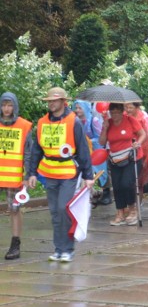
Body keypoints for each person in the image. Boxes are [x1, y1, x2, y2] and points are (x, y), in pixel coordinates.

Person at [26, 87, 94, 262]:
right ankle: (58, 249)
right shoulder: (42, 123)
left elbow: (83, 150)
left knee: (64, 209)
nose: (51, 103)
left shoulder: (73, 122)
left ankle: (68, 249)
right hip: (49, 172)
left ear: (64, 102)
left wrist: (88, 176)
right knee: (55, 212)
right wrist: (31, 173)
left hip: (68, 172)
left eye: (54, 101)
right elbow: (37, 150)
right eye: (49, 101)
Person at [99, 102, 146, 226]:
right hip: (115, 158)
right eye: (112, 113)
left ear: (122, 112)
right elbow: (102, 141)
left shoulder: (130, 120)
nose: (115, 115)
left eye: (117, 113)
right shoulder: (109, 123)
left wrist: (138, 143)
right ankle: (120, 212)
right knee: (117, 186)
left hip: (132, 157)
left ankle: (132, 209)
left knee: (126, 183)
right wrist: (105, 127)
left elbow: (143, 134)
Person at [0, 92, 33, 259]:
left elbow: (28, 153)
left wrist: (27, 176)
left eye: (9, 105)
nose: (6, 108)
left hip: (14, 177)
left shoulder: (24, 126)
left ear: (15, 106)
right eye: (4, 105)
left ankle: (15, 244)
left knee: (14, 210)